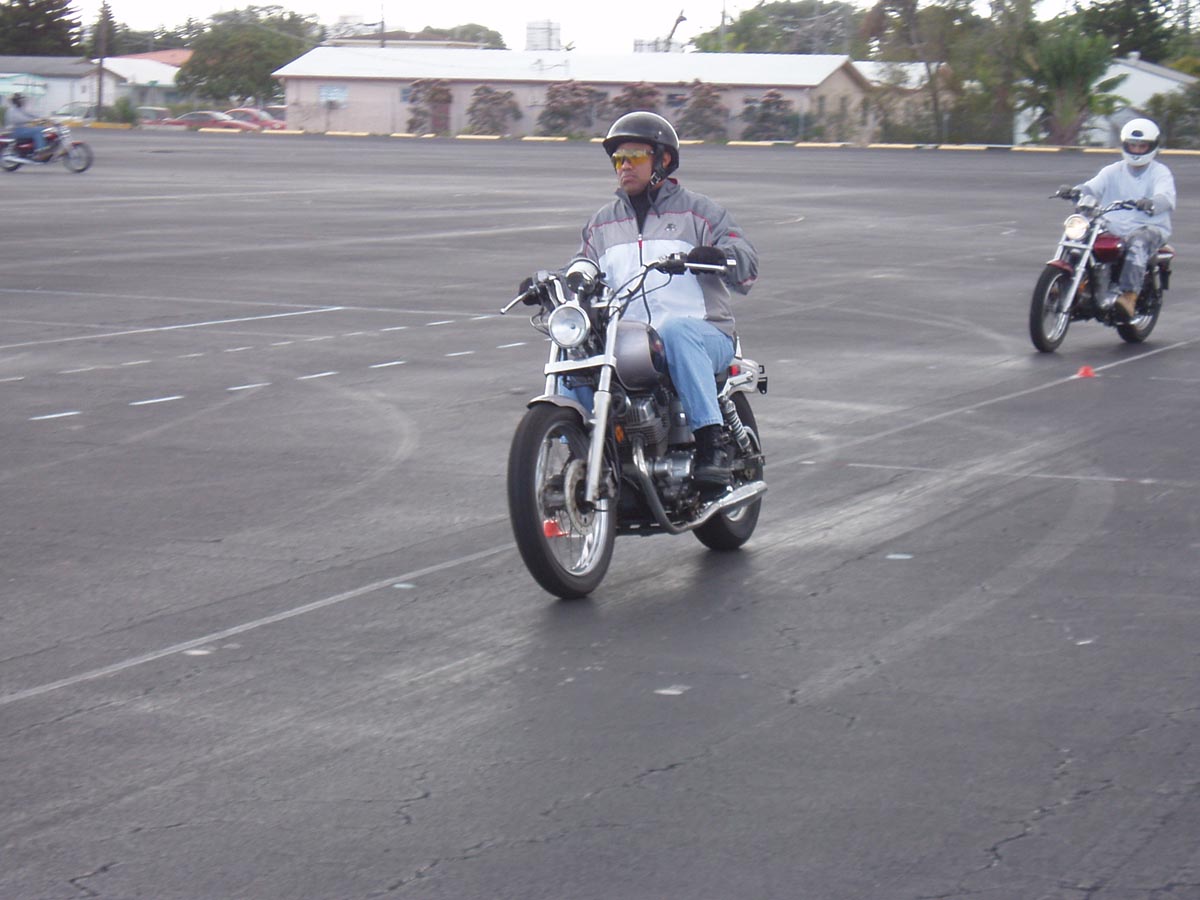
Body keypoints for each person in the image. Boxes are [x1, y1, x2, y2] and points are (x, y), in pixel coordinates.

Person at [575, 111, 758, 487]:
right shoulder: (602, 223)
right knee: (576, 351)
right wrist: (558, 280)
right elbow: (582, 265)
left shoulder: (700, 212)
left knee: (676, 332)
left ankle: (711, 443)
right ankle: (576, 452)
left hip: (704, 335)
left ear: (663, 160)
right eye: (618, 159)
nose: (625, 166)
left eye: (634, 156)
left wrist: (719, 256)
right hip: (630, 345)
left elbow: (747, 264)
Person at [1072, 117, 1176, 321]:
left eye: (1142, 146)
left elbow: (1165, 196)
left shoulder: (1160, 172)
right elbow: (1092, 186)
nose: (1136, 150)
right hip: (1113, 224)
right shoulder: (1113, 170)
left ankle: (1129, 296)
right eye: (1132, 145)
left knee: (1137, 242)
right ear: (1125, 145)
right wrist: (1077, 191)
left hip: (1149, 226)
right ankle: (1071, 284)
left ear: (1152, 147)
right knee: (1080, 234)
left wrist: (1152, 202)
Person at [4, 94, 47, 160]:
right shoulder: (12, 110)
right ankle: (40, 152)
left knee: (44, 129)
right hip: (15, 131)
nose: (23, 101)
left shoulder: (20, 109)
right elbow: (20, 119)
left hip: (22, 129)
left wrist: (43, 118)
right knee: (37, 132)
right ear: (16, 101)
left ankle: (45, 147)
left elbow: (30, 114)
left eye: (22, 100)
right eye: (21, 100)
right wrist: (33, 120)